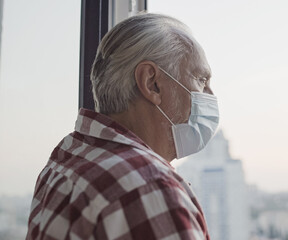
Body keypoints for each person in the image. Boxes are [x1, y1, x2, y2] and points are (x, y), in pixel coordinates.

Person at [26, 13, 219, 240]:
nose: (211, 95)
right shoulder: (150, 187)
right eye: (201, 80)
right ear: (152, 83)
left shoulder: (67, 158)